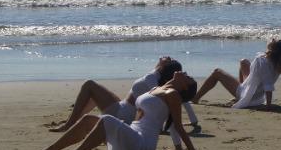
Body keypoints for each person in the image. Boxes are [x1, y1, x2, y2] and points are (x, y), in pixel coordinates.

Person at [24, 70, 200, 150]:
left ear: (185, 86)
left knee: (106, 119)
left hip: (142, 146)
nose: (185, 73)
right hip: (133, 134)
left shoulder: (173, 94)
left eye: (189, 78)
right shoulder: (156, 88)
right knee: (88, 119)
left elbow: (177, 125)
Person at [47, 56, 201, 133]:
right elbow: (184, 102)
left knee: (89, 85)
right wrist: (193, 121)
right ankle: (76, 119)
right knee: (97, 94)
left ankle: (69, 124)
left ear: (163, 68)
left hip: (121, 114)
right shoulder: (168, 88)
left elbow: (153, 75)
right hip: (125, 109)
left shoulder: (151, 80)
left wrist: (160, 64)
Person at [194, 39, 281, 108]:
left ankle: (195, 98)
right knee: (244, 61)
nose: (272, 39)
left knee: (217, 72)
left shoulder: (262, 62)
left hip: (247, 95)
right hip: (257, 93)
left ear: (272, 49)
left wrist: (268, 106)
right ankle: (241, 91)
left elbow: (268, 86)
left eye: (273, 40)